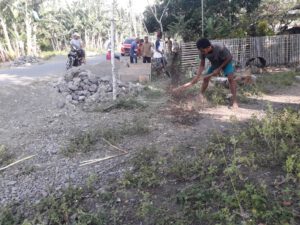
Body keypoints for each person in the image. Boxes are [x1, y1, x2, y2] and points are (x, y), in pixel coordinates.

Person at [173, 38, 238, 108]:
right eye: (201, 51)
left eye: (203, 51)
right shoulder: (202, 52)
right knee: (205, 79)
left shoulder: (220, 47)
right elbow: (202, 64)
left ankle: (234, 101)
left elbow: (229, 57)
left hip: (226, 62)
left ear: (208, 47)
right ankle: (201, 95)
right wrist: (197, 76)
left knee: (230, 78)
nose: (202, 52)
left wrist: (219, 69)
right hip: (215, 64)